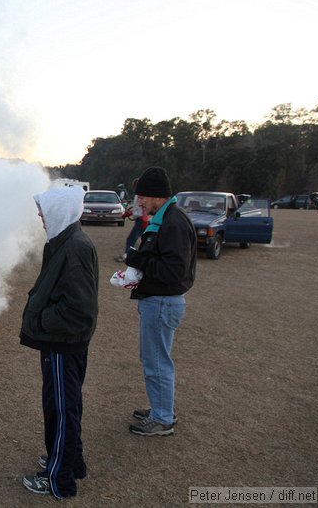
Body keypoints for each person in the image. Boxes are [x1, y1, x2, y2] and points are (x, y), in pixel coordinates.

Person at [19, 185, 99, 500]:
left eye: (43, 209)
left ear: (59, 212)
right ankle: (71, 461)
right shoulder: (64, 242)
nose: (39, 214)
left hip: (62, 344)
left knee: (62, 411)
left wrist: (41, 321)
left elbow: (79, 310)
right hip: (61, 343)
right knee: (66, 407)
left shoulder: (75, 247)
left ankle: (59, 480)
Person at [124, 167, 196, 436]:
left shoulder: (173, 223)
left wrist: (135, 259)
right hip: (159, 300)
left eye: (142, 196)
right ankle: (159, 409)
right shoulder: (166, 219)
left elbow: (173, 271)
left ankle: (163, 418)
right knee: (153, 358)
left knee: (156, 361)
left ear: (156, 196)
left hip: (162, 302)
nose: (139, 201)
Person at [115, 178, 149, 262]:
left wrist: (127, 214)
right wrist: (127, 214)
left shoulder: (140, 196)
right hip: (141, 219)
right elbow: (136, 209)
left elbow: (142, 208)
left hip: (141, 220)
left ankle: (127, 256)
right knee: (145, 239)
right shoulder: (140, 195)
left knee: (131, 239)